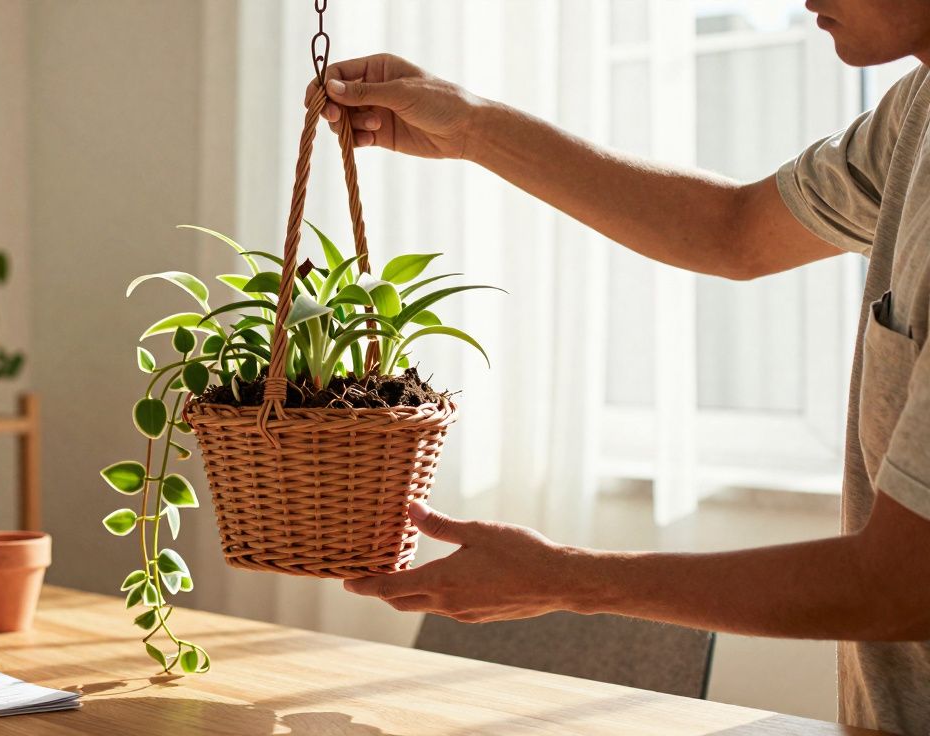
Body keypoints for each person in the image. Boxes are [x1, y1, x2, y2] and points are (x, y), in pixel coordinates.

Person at [319, 3, 930, 734]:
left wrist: (564, 578)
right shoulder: (915, 115)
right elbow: (731, 229)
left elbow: (900, 582)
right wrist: (470, 126)